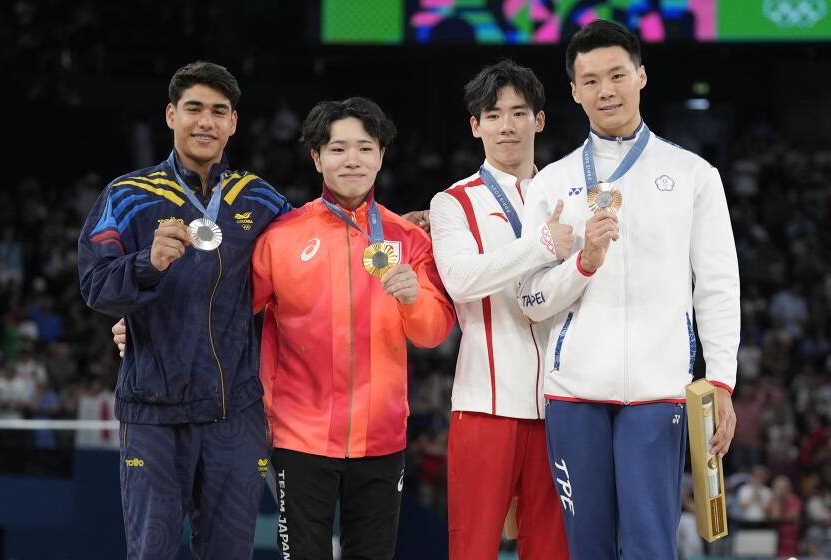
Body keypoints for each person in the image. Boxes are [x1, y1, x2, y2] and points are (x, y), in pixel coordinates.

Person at [517, 20, 739, 559]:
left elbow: (717, 285)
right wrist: (584, 265)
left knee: (649, 547)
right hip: (573, 395)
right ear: (574, 91)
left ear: (641, 75)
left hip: (657, 391)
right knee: (587, 549)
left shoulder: (693, 175)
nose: (606, 90)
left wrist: (723, 382)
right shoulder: (551, 183)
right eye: (590, 81)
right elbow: (529, 297)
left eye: (617, 75)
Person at [78, 61, 290, 559]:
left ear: (233, 122)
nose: (205, 122)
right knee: (152, 552)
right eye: (193, 108)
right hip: (153, 411)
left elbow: (321, 248)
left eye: (219, 111)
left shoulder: (259, 199)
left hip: (234, 412)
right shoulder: (127, 196)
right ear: (171, 115)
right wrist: (146, 265)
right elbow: (95, 285)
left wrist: (390, 227)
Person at [251, 96, 456, 560]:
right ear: (317, 157)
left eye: (365, 148)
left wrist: (412, 297)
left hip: (381, 437)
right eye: (338, 149)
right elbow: (227, 311)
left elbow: (433, 332)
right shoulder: (281, 237)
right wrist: (143, 323)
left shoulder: (409, 239)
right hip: (299, 438)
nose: (352, 160)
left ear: (382, 155)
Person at [428, 60, 570, 559]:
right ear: (476, 125)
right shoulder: (453, 202)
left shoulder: (568, 195)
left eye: (518, 112)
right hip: (485, 404)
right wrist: (544, 244)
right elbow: (463, 281)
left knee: (553, 549)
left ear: (540, 120)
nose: (507, 125)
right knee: (473, 547)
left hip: (564, 404)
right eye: (493, 115)